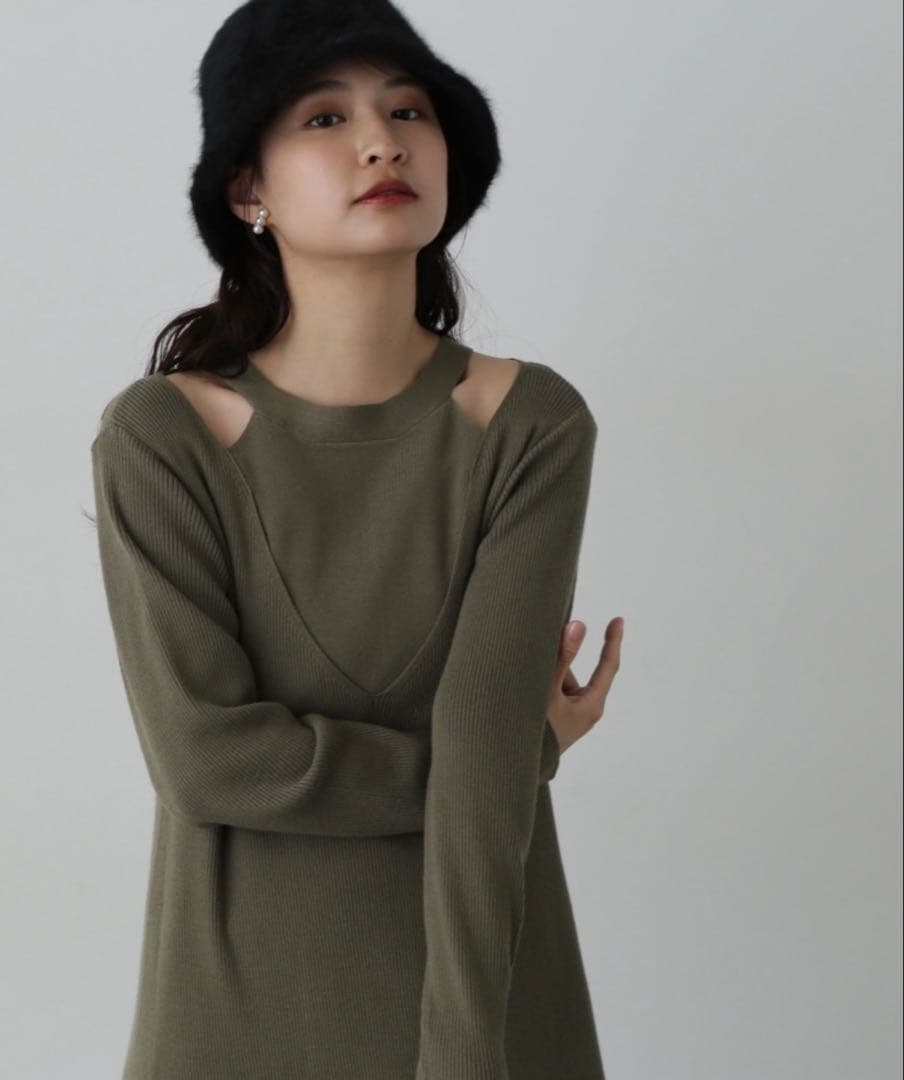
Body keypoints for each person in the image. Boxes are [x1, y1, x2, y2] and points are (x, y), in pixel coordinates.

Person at [90, 2, 624, 1077]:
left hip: (491, 1013)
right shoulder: (161, 437)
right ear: (247, 189)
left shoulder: (531, 425)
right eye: (325, 118)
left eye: (409, 110)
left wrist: (462, 1058)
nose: (382, 141)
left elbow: (480, 727)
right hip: (234, 1021)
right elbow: (207, 760)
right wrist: (508, 761)